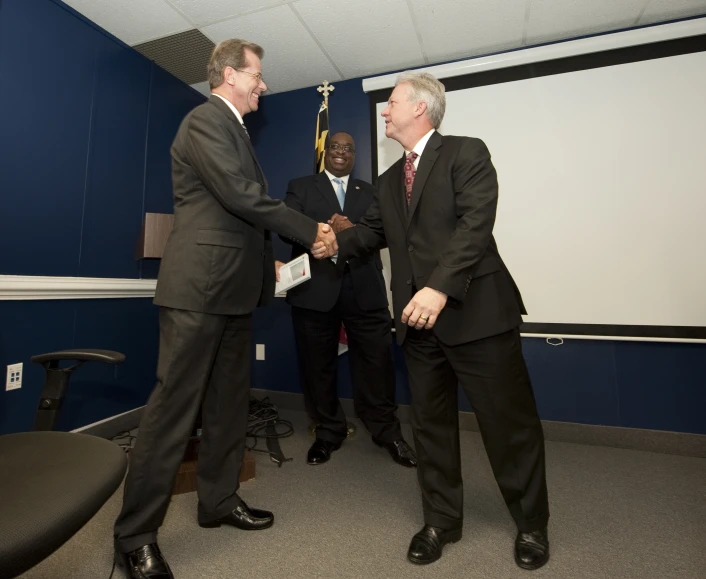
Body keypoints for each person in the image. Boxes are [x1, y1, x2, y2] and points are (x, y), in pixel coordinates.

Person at [113, 39, 336, 579]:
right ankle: (135, 536)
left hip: (234, 295)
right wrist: (310, 231)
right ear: (230, 75)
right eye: (257, 74)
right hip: (198, 291)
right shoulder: (205, 120)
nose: (263, 84)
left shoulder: (235, 128)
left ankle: (217, 502)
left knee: (227, 409)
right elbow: (240, 196)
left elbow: (241, 217)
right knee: (172, 415)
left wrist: (272, 273)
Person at [328, 71, 550, 570]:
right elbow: (367, 236)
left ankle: (532, 524)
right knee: (429, 429)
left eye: (391, 102)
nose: (384, 110)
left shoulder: (467, 153)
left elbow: (476, 226)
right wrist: (323, 242)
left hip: (478, 316)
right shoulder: (388, 182)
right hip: (417, 325)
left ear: (419, 109)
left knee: (508, 427)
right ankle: (441, 521)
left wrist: (437, 287)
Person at [278, 132, 416, 468]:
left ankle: (387, 432)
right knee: (317, 367)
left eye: (348, 148)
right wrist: (327, 229)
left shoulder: (371, 191)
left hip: (364, 290)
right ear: (325, 152)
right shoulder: (301, 185)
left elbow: (385, 232)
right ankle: (327, 431)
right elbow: (285, 226)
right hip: (315, 291)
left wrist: (351, 229)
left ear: (355, 155)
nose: (341, 152)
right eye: (336, 147)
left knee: (377, 366)